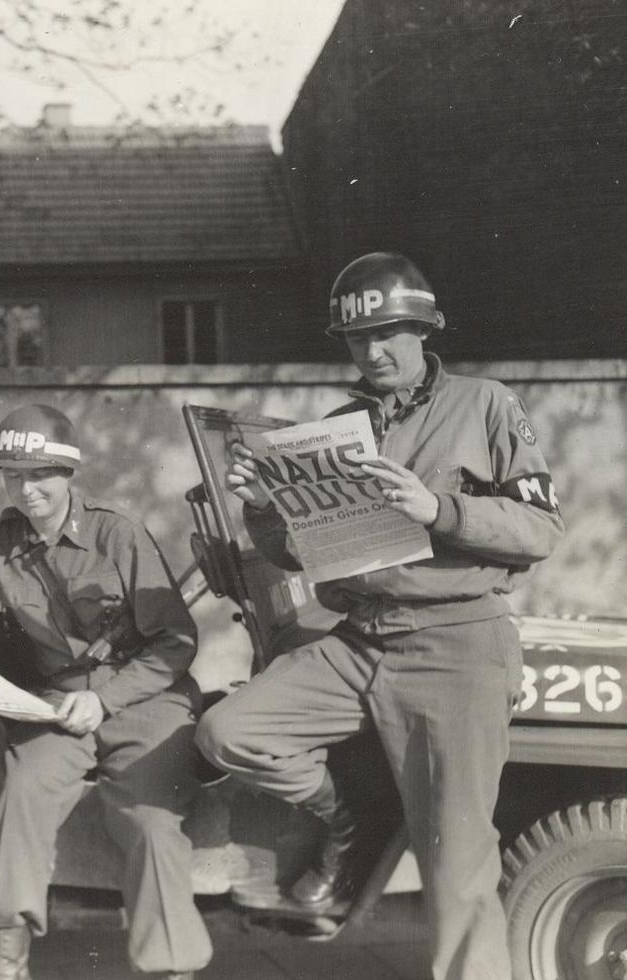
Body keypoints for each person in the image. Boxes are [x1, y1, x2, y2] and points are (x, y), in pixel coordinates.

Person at [196, 252, 564, 980]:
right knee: (229, 730)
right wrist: (265, 508)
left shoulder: (484, 404)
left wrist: (440, 510)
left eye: (393, 333)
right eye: (360, 339)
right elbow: (302, 555)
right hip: (360, 641)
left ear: (424, 331)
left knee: (456, 871)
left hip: (455, 646)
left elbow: (542, 530)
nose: (375, 350)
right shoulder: (339, 425)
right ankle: (351, 816)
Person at [0, 404, 212, 980]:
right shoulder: (1, 543)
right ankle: (9, 968)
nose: (26, 490)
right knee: (23, 792)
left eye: (39, 476)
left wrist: (106, 700)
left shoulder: (116, 534)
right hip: (59, 706)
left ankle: (169, 970)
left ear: (68, 474)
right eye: (14, 476)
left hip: (146, 702)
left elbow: (176, 641)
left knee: (152, 825)